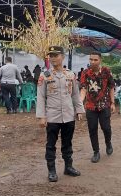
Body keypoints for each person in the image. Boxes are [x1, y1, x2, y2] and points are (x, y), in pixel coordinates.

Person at [36, 46, 85, 182]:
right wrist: (41, 116)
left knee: (67, 143)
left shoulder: (70, 75)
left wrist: (79, 110)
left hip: (69, 115)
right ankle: (51, 170)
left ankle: (68, 167)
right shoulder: (44, 76)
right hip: (52, 116)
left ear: (62, 57)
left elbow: (75, 94)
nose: (52, 58)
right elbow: (40, 97)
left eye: (55, 55)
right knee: (51, 144)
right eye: (50, 56)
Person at [80, 51, 116, 163]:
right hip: (90, 106)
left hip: (104, 105)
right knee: (92, 129)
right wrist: (80, 103)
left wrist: (113, 103)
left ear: (100, 60)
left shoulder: (106, 71)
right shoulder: (85, 73)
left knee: (106, 127)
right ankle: (96, 152)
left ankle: (108, 142)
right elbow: (83, 89)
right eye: (91, 59)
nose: (93, 62)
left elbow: (111, 87)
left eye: (95, 60)